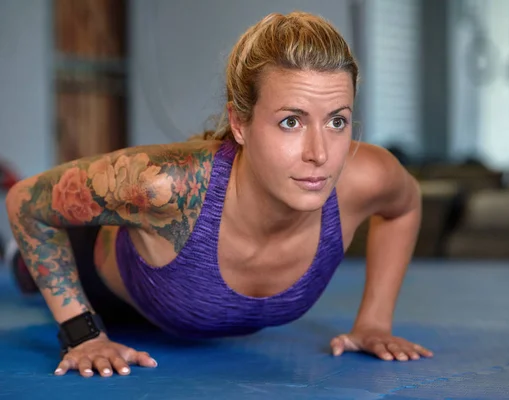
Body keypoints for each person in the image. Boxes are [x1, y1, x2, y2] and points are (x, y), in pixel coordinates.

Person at [4, 11, 432, 378]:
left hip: (179, 310)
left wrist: (374, 321)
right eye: (291, 122)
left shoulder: (367, 176)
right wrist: (83, 334)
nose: (320, 154)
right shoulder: (161, 186)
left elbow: (405, 205)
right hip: (105, 283)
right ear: (240, 123)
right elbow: (26, 203)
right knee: (22, 266)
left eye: (337, 121)